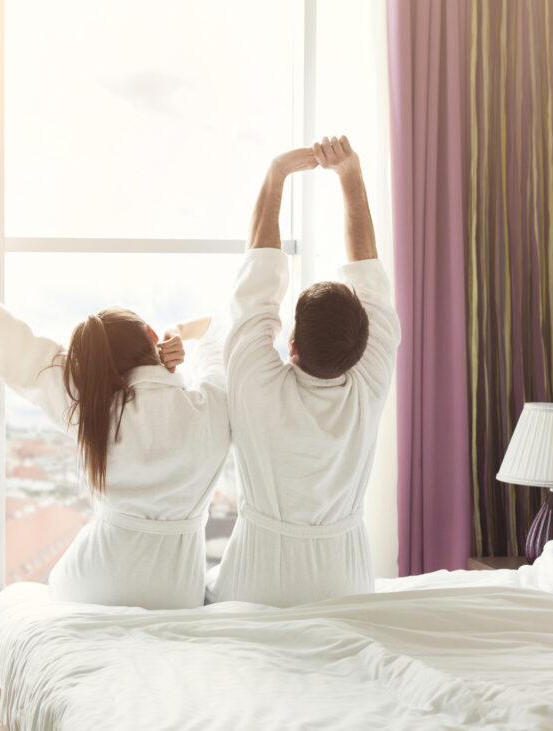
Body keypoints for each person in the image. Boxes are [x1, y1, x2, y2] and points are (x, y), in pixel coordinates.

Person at [0, 237, 229, 609]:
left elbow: (21, 345)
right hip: (177, 591)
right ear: (152, 336)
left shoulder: (94, 408)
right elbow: (219, 330)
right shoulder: (209, 406)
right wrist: (178, 329)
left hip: (91, 582)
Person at [206, 136, 401, 607]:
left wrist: (276, 176)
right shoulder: (372, 380)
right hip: (348, 582)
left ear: (290, 344)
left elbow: (259, 276)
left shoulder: (255, 382)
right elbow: (368, 273)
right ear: (363, 342)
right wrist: (351, 177)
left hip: (257, 581)